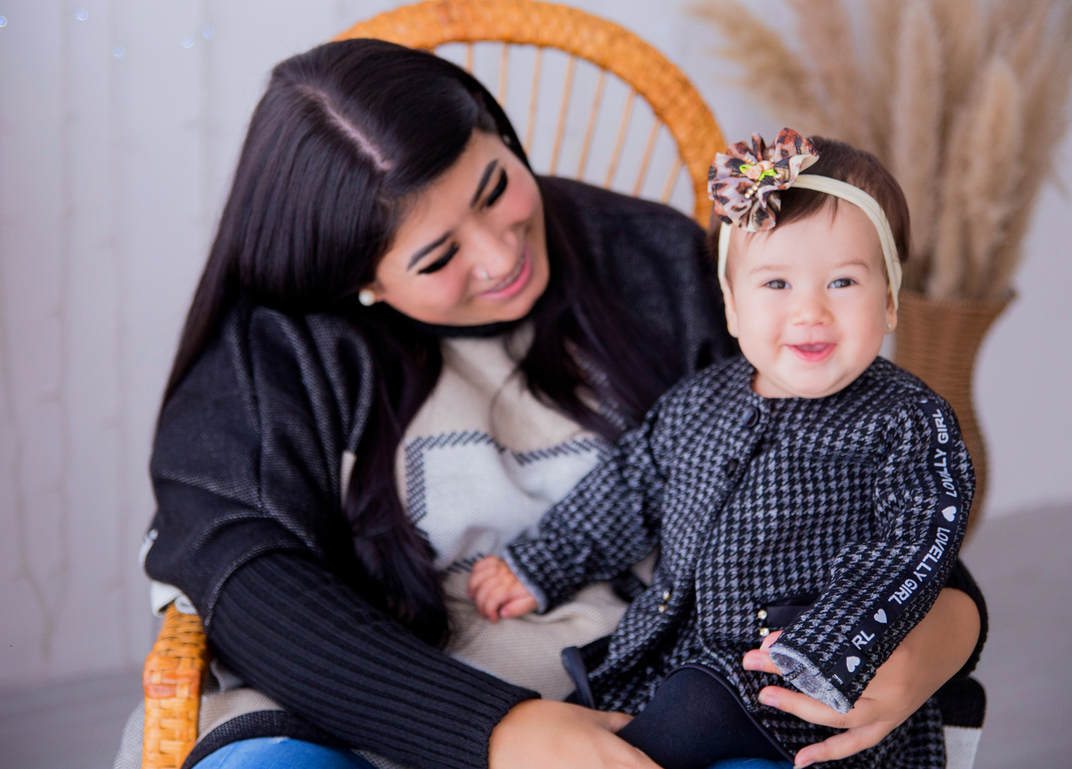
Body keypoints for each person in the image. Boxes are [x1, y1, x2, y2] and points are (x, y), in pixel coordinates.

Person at [139, 39, 986, 769]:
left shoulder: (654, 262)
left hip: (651, 697)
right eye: (438, 258)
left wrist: (945, 633)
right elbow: (247, 580)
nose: (502, 252)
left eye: (495, 187)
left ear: (500, 134)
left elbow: (850, 494)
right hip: (361, 697)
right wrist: (500, 729)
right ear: (359, 279)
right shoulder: (276, 350)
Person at [469, 130, 977, 769]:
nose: (810, 311)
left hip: (799, 682)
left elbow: (917, 541)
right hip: (680, 658)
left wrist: (835, 642)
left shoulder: (906, 419)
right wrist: (540, 562)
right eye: (776, 285)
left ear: (891, 300)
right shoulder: (698, 401)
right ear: (732, 307)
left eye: (843, 282)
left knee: (685, 715)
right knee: (598, 707)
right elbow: (628, 488)